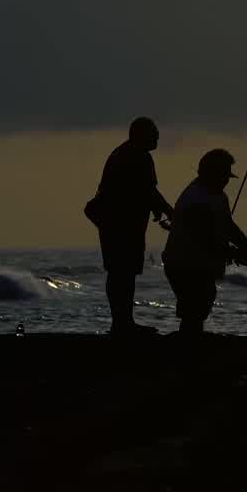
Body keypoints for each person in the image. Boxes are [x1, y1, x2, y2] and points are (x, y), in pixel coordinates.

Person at [86, 117, 173, 335]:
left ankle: (121, 322)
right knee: (123, 273)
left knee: (119, 273)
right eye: (154, 135)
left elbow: (140, 190)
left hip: (113, 224)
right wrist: (171, 212)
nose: (157, 139)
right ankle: (123, 323)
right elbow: (148, 191)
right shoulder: (139, 157)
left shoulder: (121, 153)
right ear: (140, 135)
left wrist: (155, 208)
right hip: (122, 226)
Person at [162, 149, 247, 334]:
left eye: (227, 176)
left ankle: (191, 342)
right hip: (183, 262)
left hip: (200, 262)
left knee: (202, 303)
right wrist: (232, 252)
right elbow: (202, 236)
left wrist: (245, 246)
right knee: (194, 307)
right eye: (223, 175)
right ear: (210, 173)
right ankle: (188, 345)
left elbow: (227, 225)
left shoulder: (219, 195)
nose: (226, 180)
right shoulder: (195, 197)